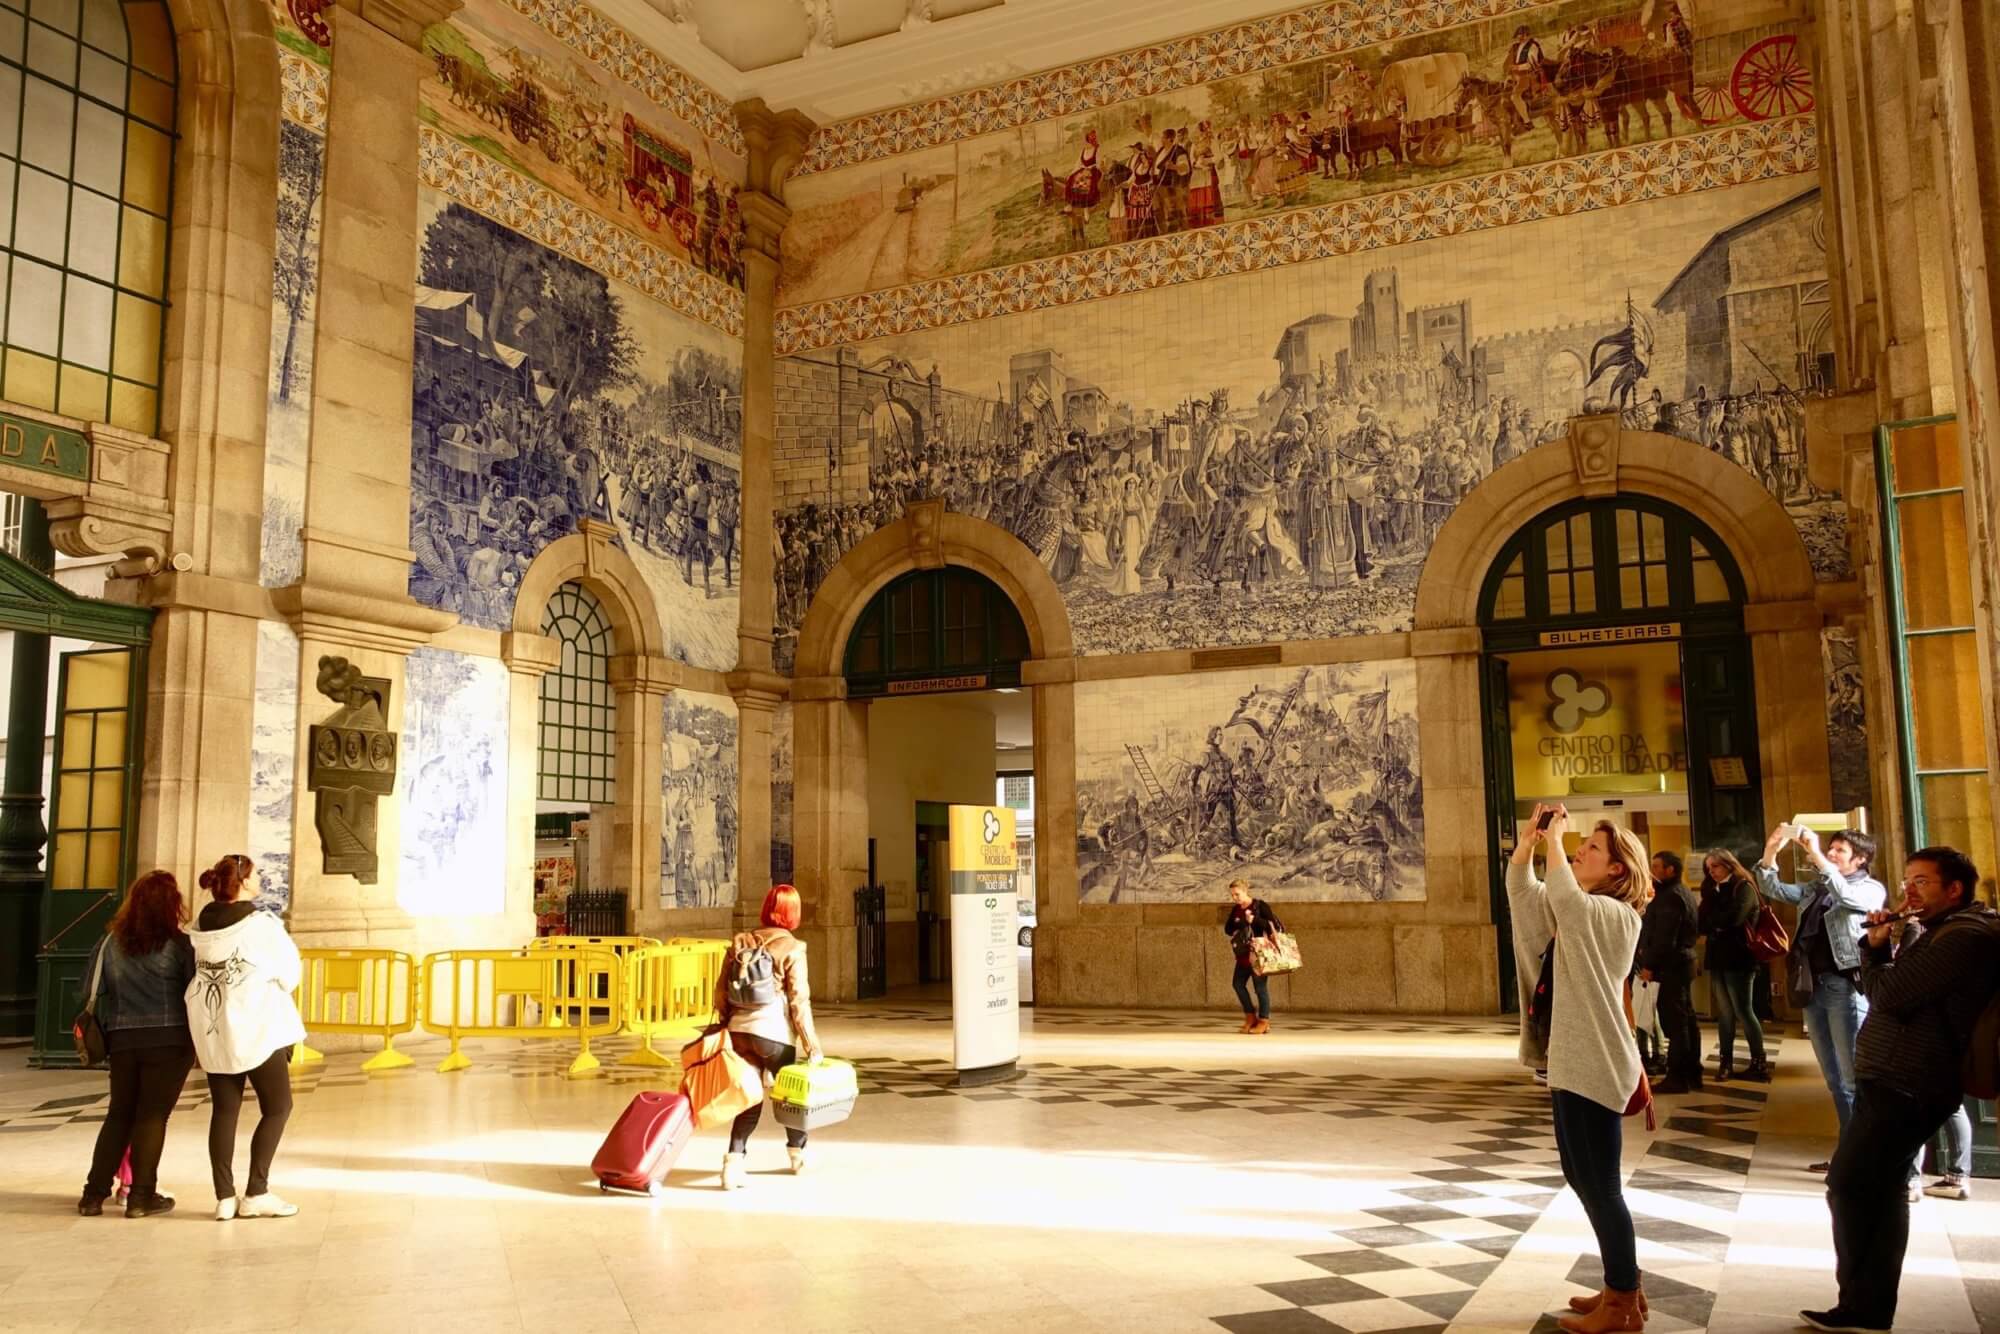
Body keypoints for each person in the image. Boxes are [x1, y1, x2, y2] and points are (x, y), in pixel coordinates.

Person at [1805, 847, 2000, 1334]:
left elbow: (1888, 995)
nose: (1908, 890)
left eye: (1923, 882)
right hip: (1897, 1076)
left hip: (1907, 1081)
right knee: (1884, 1189)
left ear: (1955, 890)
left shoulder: (1964, 937)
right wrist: (1894, 941)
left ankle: (1861, 1305)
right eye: (1908, 880)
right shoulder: (1939, 931)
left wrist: (1873, 948)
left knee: (1847, 1186)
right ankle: (1868, 1307)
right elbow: (1899, 989)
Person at [1510, 806, 1648, 1333]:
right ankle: (1623, 1287)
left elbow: (1564, 896)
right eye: (1581, 845)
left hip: (1597, 1061)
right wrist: (1529, 843)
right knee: (1581, 1177)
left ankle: (1622, 1304)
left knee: (1602, 1186)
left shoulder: (1616, 915)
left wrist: (1557, 841)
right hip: (1572, 1059)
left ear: (1617, 869)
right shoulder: (1583, 907)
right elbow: (1525, 895)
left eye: (1593, 847)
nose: (1580, 851)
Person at [1755, 824, 1886, 1168]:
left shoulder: (1870, 890)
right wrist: (1772, 849)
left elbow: (1848, 899)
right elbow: (1772, 887)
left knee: (1852, 1077)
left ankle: (1867, 1153)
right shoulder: (1816, 888)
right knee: (1833, 1079)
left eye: (1839, 850)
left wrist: (1814, 854)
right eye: (1831, 848)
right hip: (1812, 989)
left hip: (1844, 988)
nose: (1830, 854)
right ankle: (1848, 1151)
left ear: (1860, 859)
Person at [187, 853, 306, 1221]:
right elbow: (290, 974)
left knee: (224, 1111)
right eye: (255, 874)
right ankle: (257, 1191)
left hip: (215, 1029)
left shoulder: (200, 927)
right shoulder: (261, 926)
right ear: (242, 881)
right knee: (278, 1107)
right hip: (258, 1029)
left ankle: (224, 1197)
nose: (260, 878)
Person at [77, 871, 196, 1218]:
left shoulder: (109, 944)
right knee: (153, 1116)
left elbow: (88, 990)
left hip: (123, 1039)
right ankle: (142, 1196)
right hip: (170, 1039)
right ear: (172, 904)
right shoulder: (179, 944)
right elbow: (194, 993)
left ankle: (92, 1196)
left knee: (119, 1115)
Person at [715, 884, 823, 1189]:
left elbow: (720, 992)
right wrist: (811, 1045)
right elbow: (799, 1000)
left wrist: (727, 1023)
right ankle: (797, 1156)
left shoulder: (742, 942)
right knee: (791, 1096)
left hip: (739, 1033)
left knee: (750, 1097)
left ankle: (733, 1163)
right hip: (772, 1034)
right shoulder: (793, 948)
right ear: (794, 914)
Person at [1696, 850, 1770, 1082]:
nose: (1712, 872)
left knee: (1743, 1010)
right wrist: (1716, 923)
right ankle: (1724, 1062)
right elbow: (1703, 921)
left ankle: (1758, 1061)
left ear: (1729, 865)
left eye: (1716, 867)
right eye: (1709, 868)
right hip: (1718, 956)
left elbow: (1735, 919)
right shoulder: (1710, 889)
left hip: (1740, 957)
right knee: (1725, 1012)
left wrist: (1716, 922)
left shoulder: (1743, 887)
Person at [1637, 851, 1701, 1094]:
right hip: (1680, 963)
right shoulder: (1679, 893)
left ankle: (1678, 1076)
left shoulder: (1670, 898)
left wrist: (1649, 965)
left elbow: (1664, 938)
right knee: (1686, 1018)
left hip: (1672, 966)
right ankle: (1692, 1071)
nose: (1652, 871)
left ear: (1670, 870)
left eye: (1656, 866)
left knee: (1676, 1023)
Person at [1223, 879, 1280, 1034]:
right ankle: (1250, 1017)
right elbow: (1227, 928)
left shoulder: (1259, 906)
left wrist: (1254, 920)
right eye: (1233, 895)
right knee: (1237, 984)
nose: (1235, 898)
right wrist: (1237, 927)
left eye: (1237, 894)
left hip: (1259, 955)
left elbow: (1273, 926)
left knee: (1260, 988)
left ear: (1245, 891)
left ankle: (1264, 1021)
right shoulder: (1236, 909)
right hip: (1243, 955)